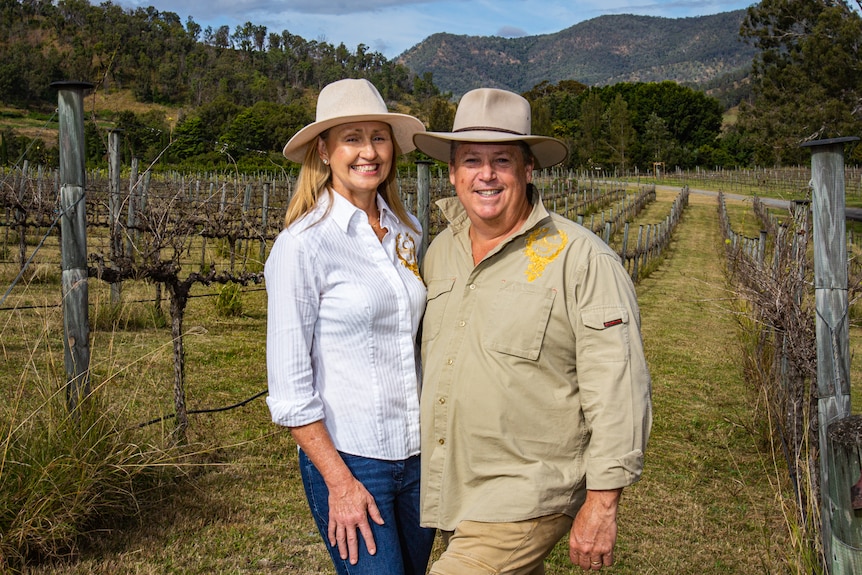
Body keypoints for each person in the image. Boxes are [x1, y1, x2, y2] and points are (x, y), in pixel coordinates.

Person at [413, 88, 652, 574]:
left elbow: (619, 387)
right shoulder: (440, 252)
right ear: (454, 172)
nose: (486, 174)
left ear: (528, 170)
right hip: (455, 487)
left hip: (528, 490)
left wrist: (603, 505)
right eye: (471, 160)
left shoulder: (580, 259)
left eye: (501, 160)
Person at [265, 78, 436, 575]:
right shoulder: (303, 246)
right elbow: (290, 390)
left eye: (378, 137)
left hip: (418, 455)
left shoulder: (408, 231)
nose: (369, 152)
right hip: (352, 458)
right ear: (324, 151)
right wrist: (340, 483)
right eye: (352, 138)